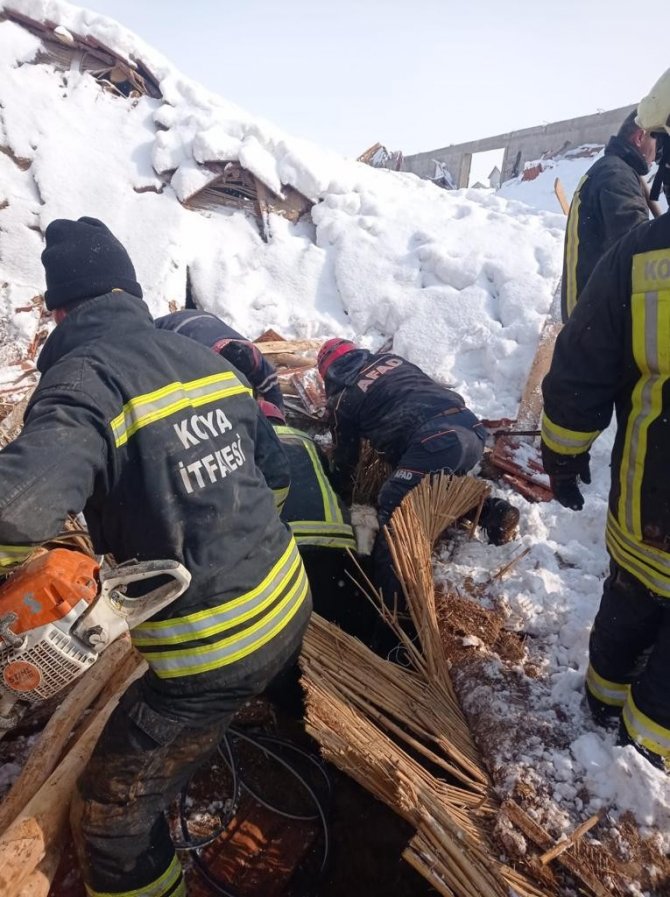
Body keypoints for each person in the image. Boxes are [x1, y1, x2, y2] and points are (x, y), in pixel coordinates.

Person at [0, 217, 311, 897]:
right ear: (131, 291)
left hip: (211, 653)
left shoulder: (85, 380)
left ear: (58, 310)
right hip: (290, 597)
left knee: (112, 815)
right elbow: (276, 477)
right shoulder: (205, 360)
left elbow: (16, 510)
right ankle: (286, 723)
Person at [541, 68, 670, 770]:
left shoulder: (645, 255)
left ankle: (606, 721)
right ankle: (643, 769)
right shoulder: (625, 198)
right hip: (611, 348)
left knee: (631, 600)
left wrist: (564, 450)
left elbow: (582, 366)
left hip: (649, 503)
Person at [317, 339, 520, 608]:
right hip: (469, 428)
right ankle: (492, 513)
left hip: (435, 440)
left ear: (329, 374)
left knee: (394, 505)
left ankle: (392, 601)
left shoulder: (344, 398)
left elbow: (346, 457)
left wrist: (336, 491)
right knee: (428, 488)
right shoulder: (391, 361)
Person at [257, 399, 377, 641]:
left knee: (299, 632)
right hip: (339, 539)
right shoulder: (306, 440)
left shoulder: (249, 443)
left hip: (289, 549)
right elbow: (332, 479)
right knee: (346, 618)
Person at [561, 109, 657, 322]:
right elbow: (639, 250)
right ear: (640, 137)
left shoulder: (612, 170)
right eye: (657, 142)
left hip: (589, 316)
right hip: (594, 322)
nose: (657, 154)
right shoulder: (616, 175)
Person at [155, 308, 284, 412]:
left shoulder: (252, 355)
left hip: (205, 320)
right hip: (163, 329)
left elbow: (272, 389)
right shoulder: (199, 360)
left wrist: (276, 417)